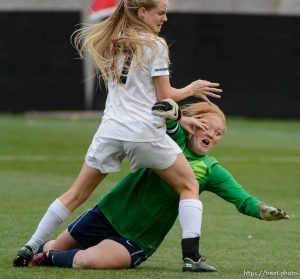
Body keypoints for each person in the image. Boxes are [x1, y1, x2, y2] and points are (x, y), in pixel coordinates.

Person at [13, 0, 222, 271]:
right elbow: (164, 97)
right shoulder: (155, 45)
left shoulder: (114, 40)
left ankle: (31, 245)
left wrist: (183, 119)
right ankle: (192, 258)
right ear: (143, 12)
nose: (165, 18)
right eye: (161, 12)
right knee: (189, 186)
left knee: (75, 194)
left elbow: (139, 98)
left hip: (110, 131)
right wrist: (190, 89)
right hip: (143, 132)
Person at [27, 101, 289, 272]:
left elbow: (242, 199)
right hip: (107, 214)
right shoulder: (169, 141)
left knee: (85, 261)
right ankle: (44, 252)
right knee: (53, 247)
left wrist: (262, 209)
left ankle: (48, 258)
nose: (211, 134)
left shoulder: (211, 170)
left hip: (137, 238)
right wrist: (175, 111)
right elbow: (169, 119)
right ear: (193, 124)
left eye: (218, 133)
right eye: (207, 126)